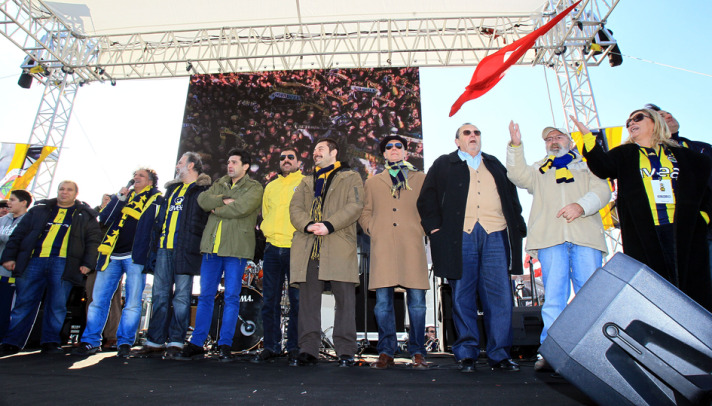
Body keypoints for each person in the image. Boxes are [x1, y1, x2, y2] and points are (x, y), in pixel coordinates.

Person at [573, 110, 712, 312]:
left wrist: (703, 218)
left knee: (694, 291)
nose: (631, 122)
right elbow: (602, 167)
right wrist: (587, 136)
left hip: (685, 231)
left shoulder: (686, 156)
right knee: (657, 292)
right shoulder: (625, 153)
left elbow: (706, 188)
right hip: (645, 233)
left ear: (655, 123)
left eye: (638, 118)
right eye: (628, 121)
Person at [417, 123, 526, 372]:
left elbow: (512, 199)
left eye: (477, 132)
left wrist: (518, 228)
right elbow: (427, 198)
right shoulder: (444, 164)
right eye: (467, 133)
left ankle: (500, 354)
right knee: (462, 294)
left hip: (495, 233)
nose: (473, 136)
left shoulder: (495, 163)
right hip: (460, 235)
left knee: (499, 297)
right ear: (457, 141)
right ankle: (466, 353)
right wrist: (435, 228)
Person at [506, 123, 611, 371]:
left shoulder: (588, 165)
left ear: (570, 140)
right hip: (550, 239)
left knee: (590, 296)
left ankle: (594, 353)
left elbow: (603, 190)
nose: (553, 141)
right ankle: (552, 352)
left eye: (558, 136)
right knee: (554, 298)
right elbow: (517, 175)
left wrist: (581, 206)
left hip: (585, 237)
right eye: (549, 139)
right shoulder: (539, 170)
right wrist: (515, 146)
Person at [177, 149, 263, 362]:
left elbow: (241, 208)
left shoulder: (254, 187)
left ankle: (225, 343)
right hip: (211, 249)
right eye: (228, 162)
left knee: (232, 297)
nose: (229, 165)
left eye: (234, 162)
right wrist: (224, 201)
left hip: (236, 250)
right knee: (206, 296)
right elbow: (203, 201)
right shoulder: (220, 183)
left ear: (245, 166)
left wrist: (217, 207)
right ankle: (197, 342)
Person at [0, 181, 101, 356]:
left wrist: (87, 263)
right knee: (24, 303)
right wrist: (8, 257)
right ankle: (12, 342)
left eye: (69, 190)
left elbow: (93, 240)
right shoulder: (39, 210)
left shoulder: (85, 215)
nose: (64, 192)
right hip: (34, 260)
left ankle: (51, 341)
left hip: (64, 263)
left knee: (57, 305)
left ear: (76, 193)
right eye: (62, 189)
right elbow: (19, 234)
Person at [289, 138, 364, 367]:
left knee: (345, 299)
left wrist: (329, 224)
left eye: (320, 149)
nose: (315, 153)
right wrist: (308, 224)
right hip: (309, 245)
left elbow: (355, 206)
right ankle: (309, 349)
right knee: (308, 301)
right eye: (313, 150)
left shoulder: (351, 176)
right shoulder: (305, 181)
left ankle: (346, 350)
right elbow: (295, 208)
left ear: (334, 152)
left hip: (338, 242)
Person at [73, 169, 163, 358]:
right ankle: (90, 340)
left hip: (135, 256)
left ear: (150, 182)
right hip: (111, 254)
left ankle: (124, 342)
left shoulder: (156, 199)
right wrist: (119, 198)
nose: (136, 178)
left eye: (141, 176)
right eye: (135, 175)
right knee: (98, 301)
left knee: (132, 302)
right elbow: (104, 218)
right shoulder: (122, 197)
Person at [359, 134, 429, 370]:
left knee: (418, 302)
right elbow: (364, 211)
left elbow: (429, 209)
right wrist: (373, 229)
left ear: (405, 152)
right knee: (382, 303)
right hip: (384, 245)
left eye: (399, 146)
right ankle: (386, 350)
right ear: (384, 154)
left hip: (412, 245)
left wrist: (420, 228)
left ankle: (418, 351)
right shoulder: (373, 182)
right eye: (389, 147)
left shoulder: (421, 179)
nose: (394, 149)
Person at [132, 152, 211, 359]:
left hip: (186, 249)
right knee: (159, 295)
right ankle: (154, 341)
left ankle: (176, 341)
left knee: (182, 298)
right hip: (164, 248)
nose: (177, 166)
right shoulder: (172, 190)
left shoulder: (203, 190)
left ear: (191, 165)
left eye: (181, 162)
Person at [645, 103, 712, 287]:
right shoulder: (647, 157)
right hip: (678, 231)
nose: (668, 116)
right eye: (661, 116)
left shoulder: (702, 148)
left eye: (669, 113)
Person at [252, 147, 303, 365]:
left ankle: (294, 347)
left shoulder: (305, 183)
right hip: (272, 248)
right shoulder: (270, 186)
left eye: (291, 157)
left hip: (296, 247)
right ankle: (271, 346)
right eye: (282, 157)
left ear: (298, 162)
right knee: (269, 300)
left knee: (297, 301)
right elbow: (265, 213)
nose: (286, 160)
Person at [0, 190, 32, 338]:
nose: (9, 203)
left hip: (12, 275)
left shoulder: (30, 221)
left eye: (13, 200)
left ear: (23, 202)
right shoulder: (3, 219)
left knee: (6, 309)